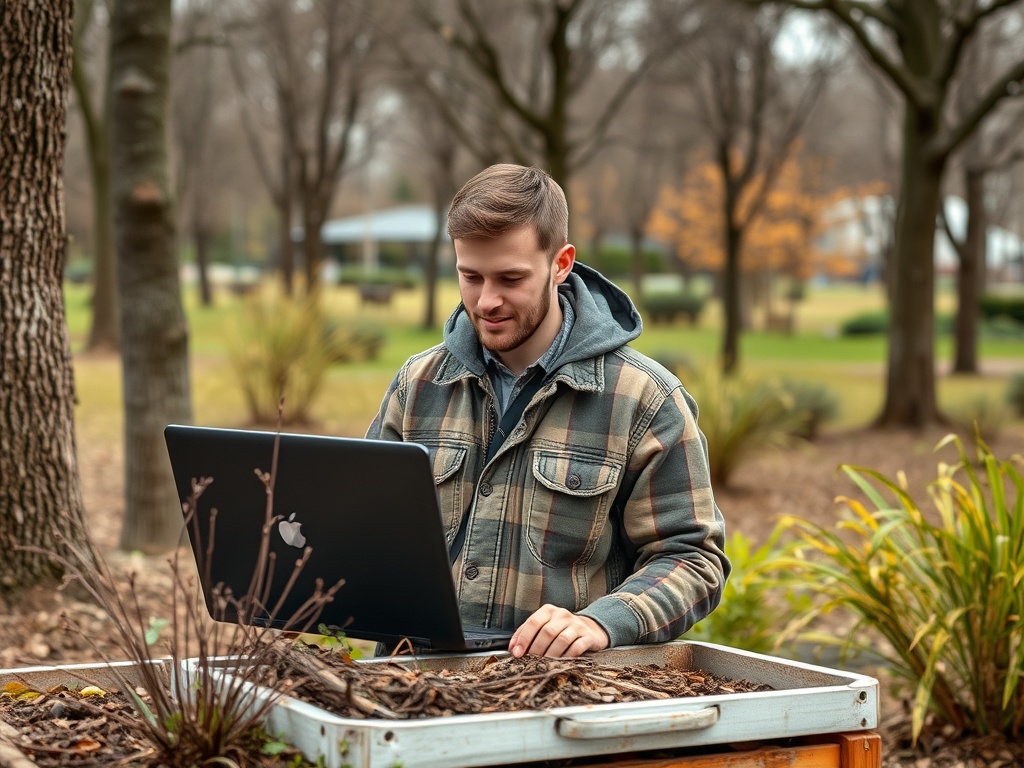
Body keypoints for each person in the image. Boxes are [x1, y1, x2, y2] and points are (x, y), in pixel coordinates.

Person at [367, 164, 728, 658]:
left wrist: (601, 623)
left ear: (561, 264)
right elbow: (365, 531)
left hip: (556, 685)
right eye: (470, 276)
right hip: (406, 679)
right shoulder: (418, 384)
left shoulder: (644, 399)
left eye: (510, 278)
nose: (486, 301)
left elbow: (693, 558)